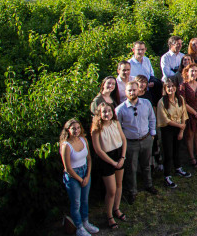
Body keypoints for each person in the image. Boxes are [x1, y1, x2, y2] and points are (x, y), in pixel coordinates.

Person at [115, 81, 157, 204]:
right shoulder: (120, 109)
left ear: (138, 90)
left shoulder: (146, 103)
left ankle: (148, 185)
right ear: (126, 92)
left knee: (146, 165)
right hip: (130, 143)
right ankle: (132, 191)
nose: (132, 92)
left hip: (146, 139)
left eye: (134, 90)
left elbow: (152, 118)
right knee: (131, 169)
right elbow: (118, 128)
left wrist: (152, 134)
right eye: (130, 90)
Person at [91, 102, 127, 230]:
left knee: (119, 185)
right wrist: (112, 162)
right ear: (99, 114)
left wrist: (122, 157)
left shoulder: (116, 123)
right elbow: (98, 150)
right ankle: (109, 215)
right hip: (106, 159)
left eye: (109, 111)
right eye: (104, 112)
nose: (107, 114)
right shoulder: (96, 129)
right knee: (111, 190)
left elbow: (123, 139)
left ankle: (116, 208)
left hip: (119, 155)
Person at [60, 119, 99, 236]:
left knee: (84, 200)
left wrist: (87, 175)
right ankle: (79, 227)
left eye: (78, 128)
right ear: (68, 130)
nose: (76, 130)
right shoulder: (66, 145)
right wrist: (80, 179)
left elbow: (89, 159)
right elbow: (67, 168)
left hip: (85, 171)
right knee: (76, 203)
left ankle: (85, 222)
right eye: (73, 128)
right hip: (73, 176)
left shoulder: (84, 140)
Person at [157, 78, 191, 188]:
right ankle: (167, 175)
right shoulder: (162, 102)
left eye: (172, 86)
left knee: (177, 149)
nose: (171, 88)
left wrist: (181, 130)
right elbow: (165, 119)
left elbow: (184, 115)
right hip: (168, 129)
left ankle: (178, 168)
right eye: (168, 87)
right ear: (165, 89)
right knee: (168, 152)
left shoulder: (180, 99)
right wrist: (179, 126)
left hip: (179, 127)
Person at [180, 64, 197, 167]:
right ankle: (192, 157)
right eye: (192, 71)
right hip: (190, 114)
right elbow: (183, 102)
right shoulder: (183, 85)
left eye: (196, 71)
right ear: (187, 72)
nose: (194, 73)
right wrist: (195, 113)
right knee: (190, 135)